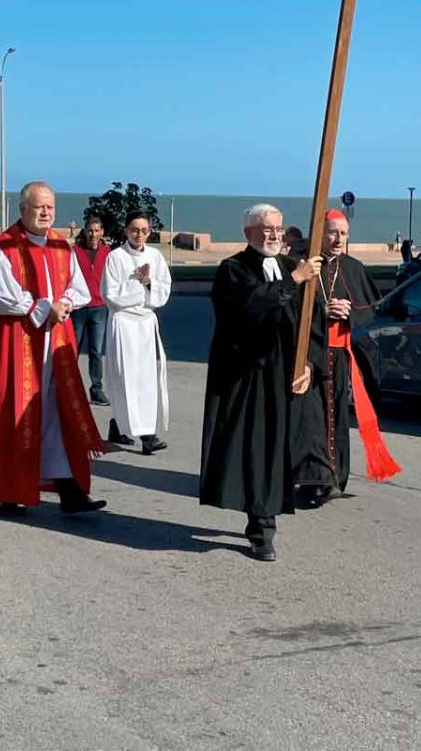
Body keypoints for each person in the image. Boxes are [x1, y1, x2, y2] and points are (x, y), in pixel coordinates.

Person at [0, 181, 106, 515]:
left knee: (59, 414)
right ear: (23, 210)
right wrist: (45, 308)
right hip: (18, 343)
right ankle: (10, 490)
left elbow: (80, 287)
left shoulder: (61, 245)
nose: (46, 213)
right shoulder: (5, 246)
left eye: (50, 207)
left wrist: (65, 303)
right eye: (39, 207)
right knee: (16, 413)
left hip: (55, 343)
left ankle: (70, 490)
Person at [199, 204, 323, 562]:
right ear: (248, 233)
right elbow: (248, 309)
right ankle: (261, 528)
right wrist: (294, 280)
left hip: (286, 374)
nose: (274, 235)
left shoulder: (290, 267)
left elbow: (312, 322)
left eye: (278, 229)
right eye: (266, 229)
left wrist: (309, 365)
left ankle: (273, 510)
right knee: (256, 449)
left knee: (283, 447)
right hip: (250, 374)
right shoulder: (233, 269)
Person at [293, 210, 400, 505]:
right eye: (332, 232)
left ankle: (335, 478)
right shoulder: (300, 265)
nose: (338, 239)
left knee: (337, 415)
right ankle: (314, 479)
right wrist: (322, 311)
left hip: (339, 354)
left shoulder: (353, 267)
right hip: (308, 354)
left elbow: (371, 312)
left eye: (343, 233)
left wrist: (349, 312)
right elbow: (289, 305)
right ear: (319, 234)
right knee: (311, 418)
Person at [102, 212, 172, 455]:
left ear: (149, 232)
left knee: (145, 379)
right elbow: (110, 294)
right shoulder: (115, 257)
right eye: (134, 230)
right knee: (125, 378)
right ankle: (140, 432)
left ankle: (132, 429)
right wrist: (138, 284)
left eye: (144, 230)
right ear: (126, 231)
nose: (139, 235)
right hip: (123, 323)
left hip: (145, 324)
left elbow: (163, 289)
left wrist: (149, 282)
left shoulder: (155, 256)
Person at [72, 217, 113, 412]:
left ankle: (96, 389)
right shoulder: (75, 252)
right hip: (78, 308)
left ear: (102, 232)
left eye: (97, 230)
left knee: (96, 351)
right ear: (84, 231)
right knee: (72, 350)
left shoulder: (108, 253)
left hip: (99, 308)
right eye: (90, 230)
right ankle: (69, 388)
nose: (93, 234)